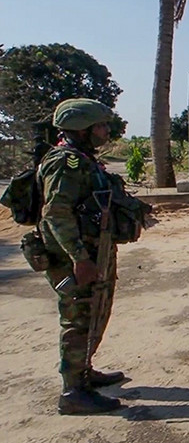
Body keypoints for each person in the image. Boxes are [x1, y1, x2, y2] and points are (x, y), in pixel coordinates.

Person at [38, 99, 126, 414]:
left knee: (95, 311)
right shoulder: (65, 163)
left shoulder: (83, 159)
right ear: (83, 129)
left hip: (93, 249)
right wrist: (79, 257)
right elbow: (56, 213)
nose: (106, 131)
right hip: (76, 256)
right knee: (78, 317)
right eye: (101, 126)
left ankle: (84, 371)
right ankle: (73, 392)